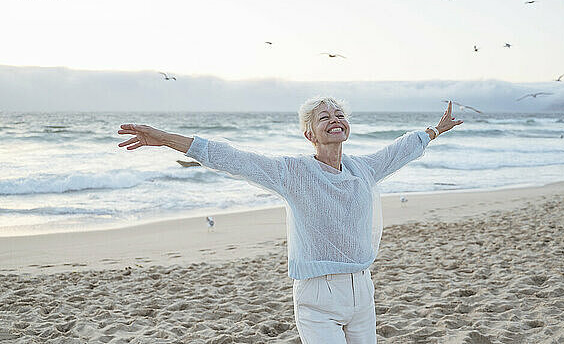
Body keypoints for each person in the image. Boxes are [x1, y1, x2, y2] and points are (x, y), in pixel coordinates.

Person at [117, 96, 462, 343]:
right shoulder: (292, 173)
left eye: (338, 114)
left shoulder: (364, 169)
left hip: (362, 290)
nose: (334, 119)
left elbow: (400, 150)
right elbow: (230, 158)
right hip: (317, 295)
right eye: (323, 117)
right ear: (310, 135)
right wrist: (164, 139)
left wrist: (435, 131)